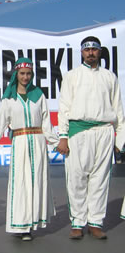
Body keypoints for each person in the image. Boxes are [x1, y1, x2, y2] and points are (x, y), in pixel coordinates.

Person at [57, 36, 125, 239]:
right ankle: (77, 222)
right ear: (82, 52)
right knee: (77, 179)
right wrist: (63, 137)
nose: (90, 53)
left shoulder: (109, 76)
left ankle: (95, 222)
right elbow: (64, 108)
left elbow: (118, 110)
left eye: (94, 50)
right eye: (87, 50)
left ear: (100, 52)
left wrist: (119, 140)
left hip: (104, 132)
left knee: (100, 180)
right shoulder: (72, 75)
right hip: (79, 132)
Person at [0, 58, 59, 241]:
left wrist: (56, 142)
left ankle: (32, 223)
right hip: (20, 143)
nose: (25, 77)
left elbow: (46, 123)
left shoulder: (38, 95)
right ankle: (20, 223)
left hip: (38, 142)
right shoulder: (9, 98)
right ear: (16, 74)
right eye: (22, 73)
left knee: (37, 182)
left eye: (28, 73)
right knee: (21, 183)